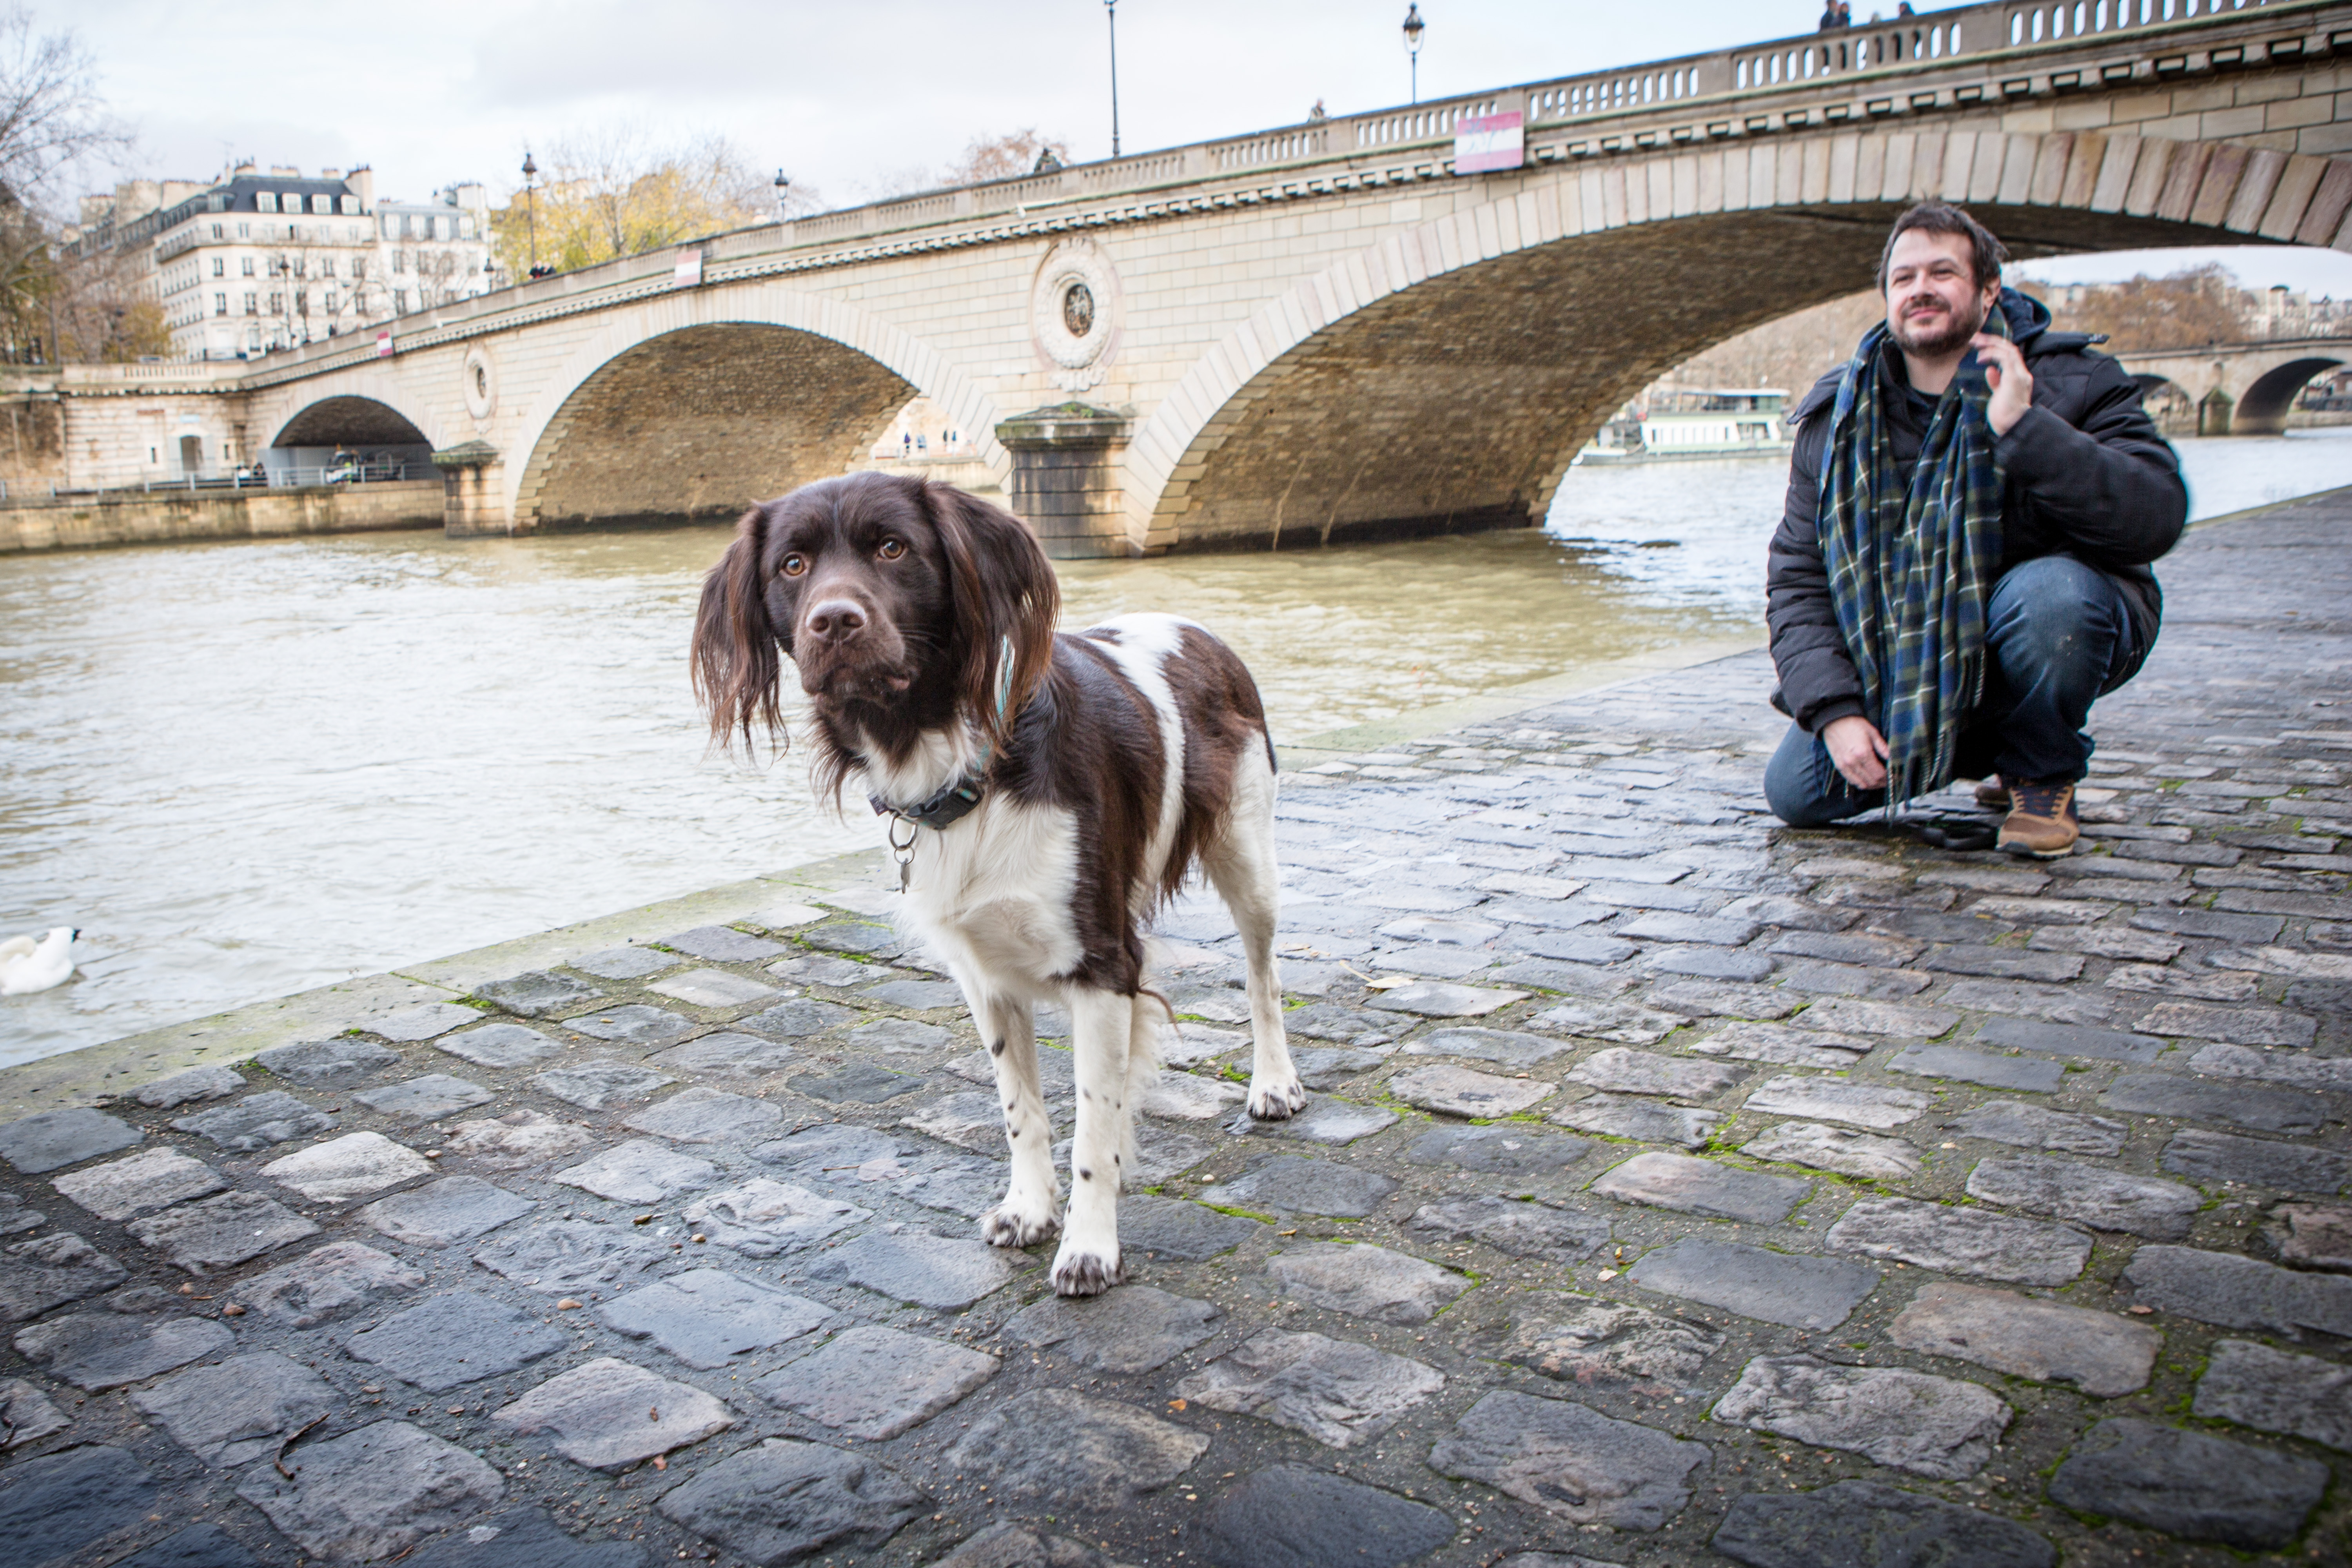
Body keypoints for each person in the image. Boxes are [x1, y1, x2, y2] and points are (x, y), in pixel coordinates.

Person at [1762, 202, 2186, 857]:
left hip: (2048, 629)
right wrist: (1835, 711)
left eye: (1943, 273)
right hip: (1914, 658)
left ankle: (2041, 770)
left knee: (2052, 599)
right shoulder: (1838, 416)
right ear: (1887, 296)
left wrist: (2025, 430)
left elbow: (2155, 518)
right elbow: (1798, 577)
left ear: (1989, 291)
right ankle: (1982, 742)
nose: (1921, 289)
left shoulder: (2072, 379)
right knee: (1798, 793)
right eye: (1904, 278)